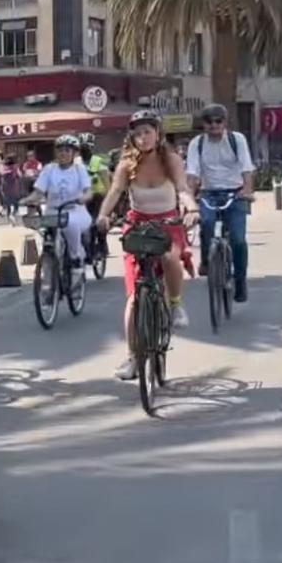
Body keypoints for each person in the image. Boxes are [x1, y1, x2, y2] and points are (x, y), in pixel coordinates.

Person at [96, 111, 199, 379]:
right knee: (133, 300)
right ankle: (132, 357)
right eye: (137, 133)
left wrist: (191, 209)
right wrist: (103, 216)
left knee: (170, 257)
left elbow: (183, 189)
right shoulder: (126, 165)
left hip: (168, 223)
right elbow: (115, 193)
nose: (142, 138)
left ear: (158, 133)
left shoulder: (171, 159)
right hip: (138, 226)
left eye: (147, 132)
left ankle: (175, 304)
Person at [185, 103, 255, 302]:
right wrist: (190, 201)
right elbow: (192, 175)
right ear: (203, 125)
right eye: (209, 122)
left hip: (235, 193)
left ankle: (240, 280)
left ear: (225, 122)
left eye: (218, 121)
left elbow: (246, 168)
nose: (214, 125)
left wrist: (247, 190)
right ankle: (207, 260)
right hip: (208, 193)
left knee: (238, 240)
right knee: (205, 223)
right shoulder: (196, 144)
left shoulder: (237, 140)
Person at [21, 134, 93, 279]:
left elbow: (88, 192)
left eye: (67, 151)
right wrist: (26, 200)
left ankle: (76, 258)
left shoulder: (79, 169)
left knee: (71, 224)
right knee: (47, 236)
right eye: (60, 150)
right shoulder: (49, 169)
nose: (63, 154)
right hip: (53, 213)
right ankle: (48, 267)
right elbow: (38, 193)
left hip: (75, 211)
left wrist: (83, 198)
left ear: (74, 153)